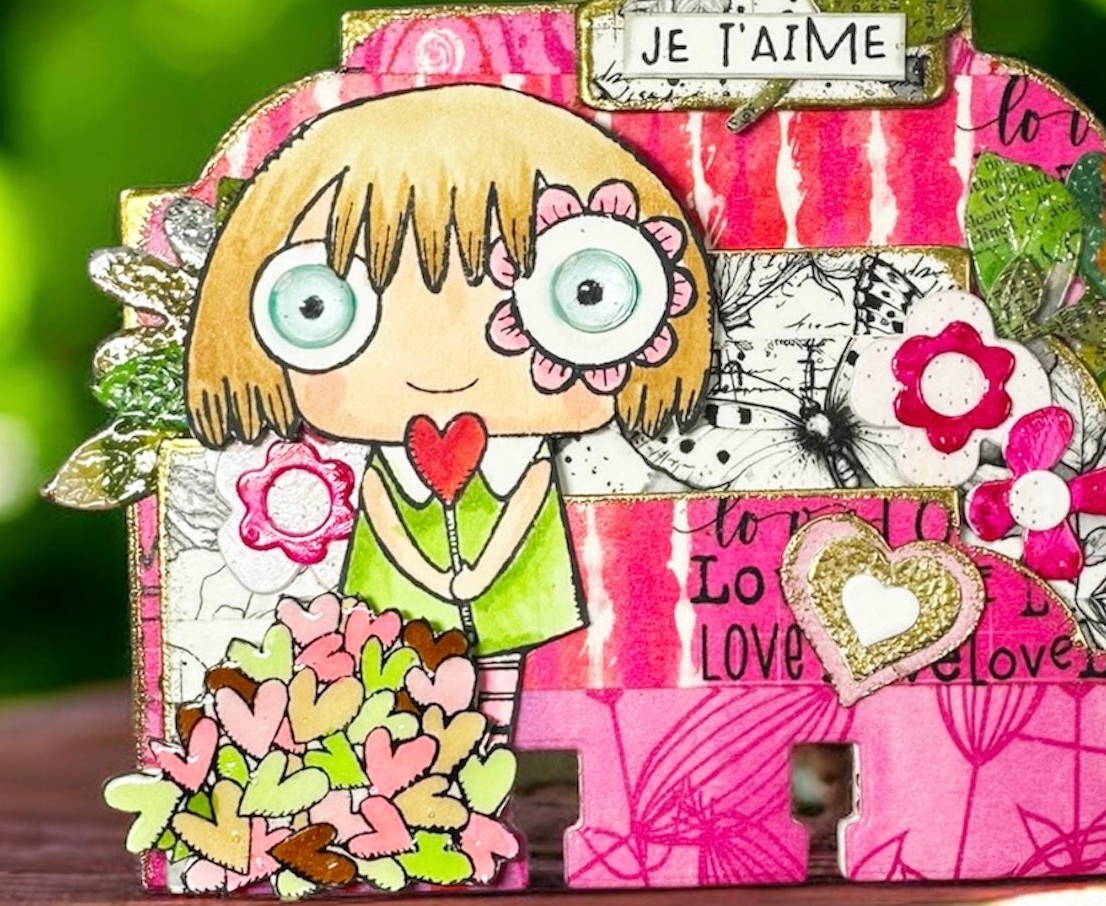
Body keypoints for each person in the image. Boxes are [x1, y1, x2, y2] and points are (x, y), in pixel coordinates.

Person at [185, 82, 711, 726]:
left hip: (507, 588)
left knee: (496, 679)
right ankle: (431, 761)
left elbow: (526, 508)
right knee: (402, 679)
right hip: (403, 595)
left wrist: (480, 574)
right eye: (319, 307)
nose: (442, 363)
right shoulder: (387, 465)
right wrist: (434, 578)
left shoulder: (525, 459)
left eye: (583, 292)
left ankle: (488, 749)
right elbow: (380, 513)